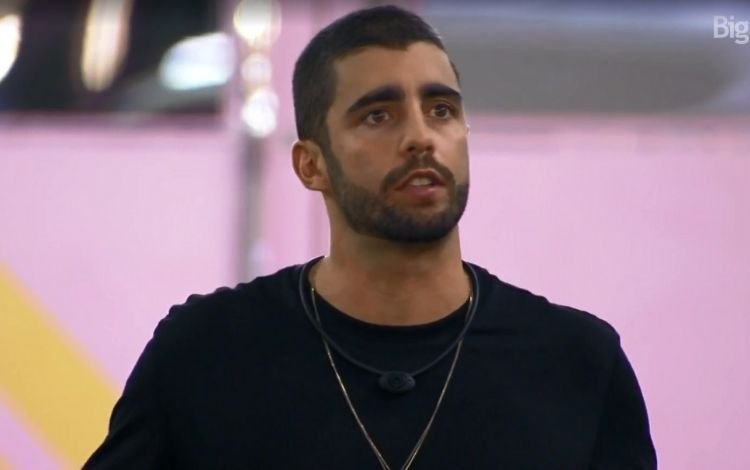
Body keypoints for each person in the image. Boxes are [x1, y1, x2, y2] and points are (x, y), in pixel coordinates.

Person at [84, 5, 656, 469]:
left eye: (441, 109)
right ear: (311, 166)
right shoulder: (205, 351)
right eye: (378, 115)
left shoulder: (577, 361)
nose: (420, 137)